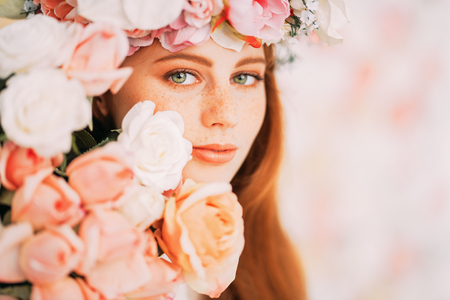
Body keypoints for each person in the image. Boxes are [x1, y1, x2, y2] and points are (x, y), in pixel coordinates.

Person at [92, 38, 307, 300]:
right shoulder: (53, 261)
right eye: (181, 76)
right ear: (101, 91)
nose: (227, 114)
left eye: (244, 77)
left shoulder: (272, 261)